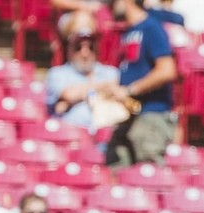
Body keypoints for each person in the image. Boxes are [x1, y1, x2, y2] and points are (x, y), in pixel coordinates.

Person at [105, 0, 178, 167]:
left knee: (147, 176)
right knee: (117, 170)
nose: (110, 5)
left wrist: (130, 90)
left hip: (151, 115)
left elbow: (167, 70)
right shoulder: (129, 31)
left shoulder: (151, 27)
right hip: (128, 116)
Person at [45, 29, 120, 133]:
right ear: (69, 50)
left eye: (91, 47)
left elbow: (118, 95)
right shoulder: (57, 73)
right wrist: (104, 87)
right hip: (69, 136)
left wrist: (72, 100)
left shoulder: (110, 72)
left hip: (106, 137)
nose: (85, 53)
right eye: (78, 48)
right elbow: (69, 94)